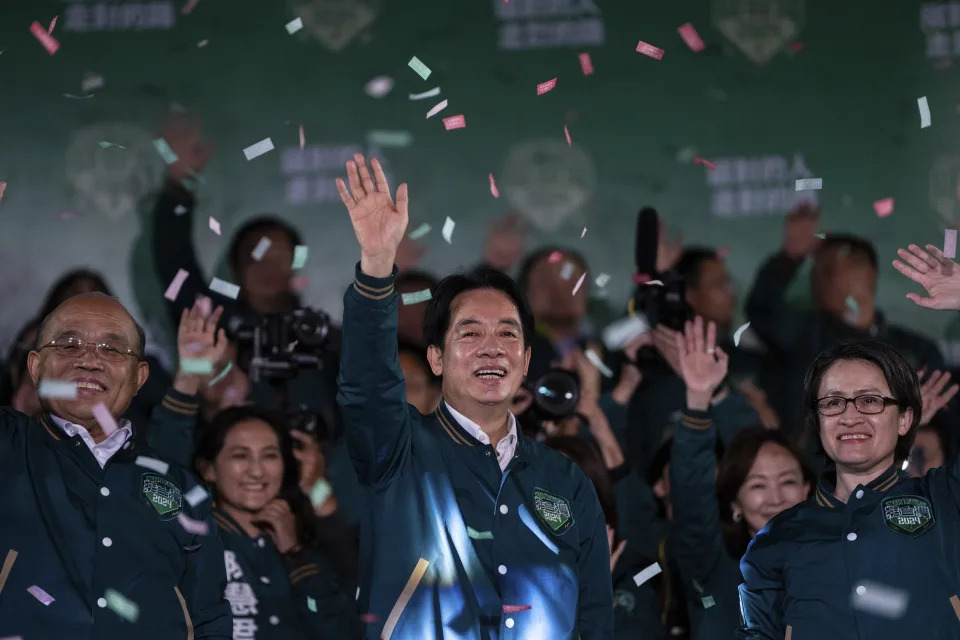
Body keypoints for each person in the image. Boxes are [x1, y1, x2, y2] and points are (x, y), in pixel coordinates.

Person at [335, 153, 612, 638]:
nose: (492, 348)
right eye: (470, 333)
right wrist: (378, 265)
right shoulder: (398, 452)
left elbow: (594, 622)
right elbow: (366, 384)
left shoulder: (565, 480)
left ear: (527, 361)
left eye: (508, 334)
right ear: (436, 359)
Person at [0, 292, 230, 638]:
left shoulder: (179, 484)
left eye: (111, 349)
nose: (90, 361)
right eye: (69, 345)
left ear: (139, 378)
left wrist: (191, 376)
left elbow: (210, 616)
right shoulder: (9, 445)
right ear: (35, 367)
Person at [736, 337, 960, 638]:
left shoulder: (945, 497)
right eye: (833, 402)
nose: (850, 417)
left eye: (870, 400)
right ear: (817, 422)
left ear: (905, 420)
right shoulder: (776, 539)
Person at [745, 204, 948, 438]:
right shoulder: (803, 335)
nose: (814, 280)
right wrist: (788, 258)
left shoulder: (916, 353)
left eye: (824, 270)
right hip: (814, 473)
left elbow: (943, 437)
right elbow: (762, 310)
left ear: (865, 277)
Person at [669, 317, 813, 640]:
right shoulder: (713, 569)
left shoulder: (834, 561)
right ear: (734, 502)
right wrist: (699, 397)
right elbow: (691, 494)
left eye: (788, 482)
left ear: (808, 489)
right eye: (757, 486)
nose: (775, 497)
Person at [193, 405, 359, 639]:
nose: (257, 471)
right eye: (240, 455)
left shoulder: (300, 542)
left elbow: (339, 629)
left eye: (270, 455)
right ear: (208, 469)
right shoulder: (194, 542)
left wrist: (294, 553)